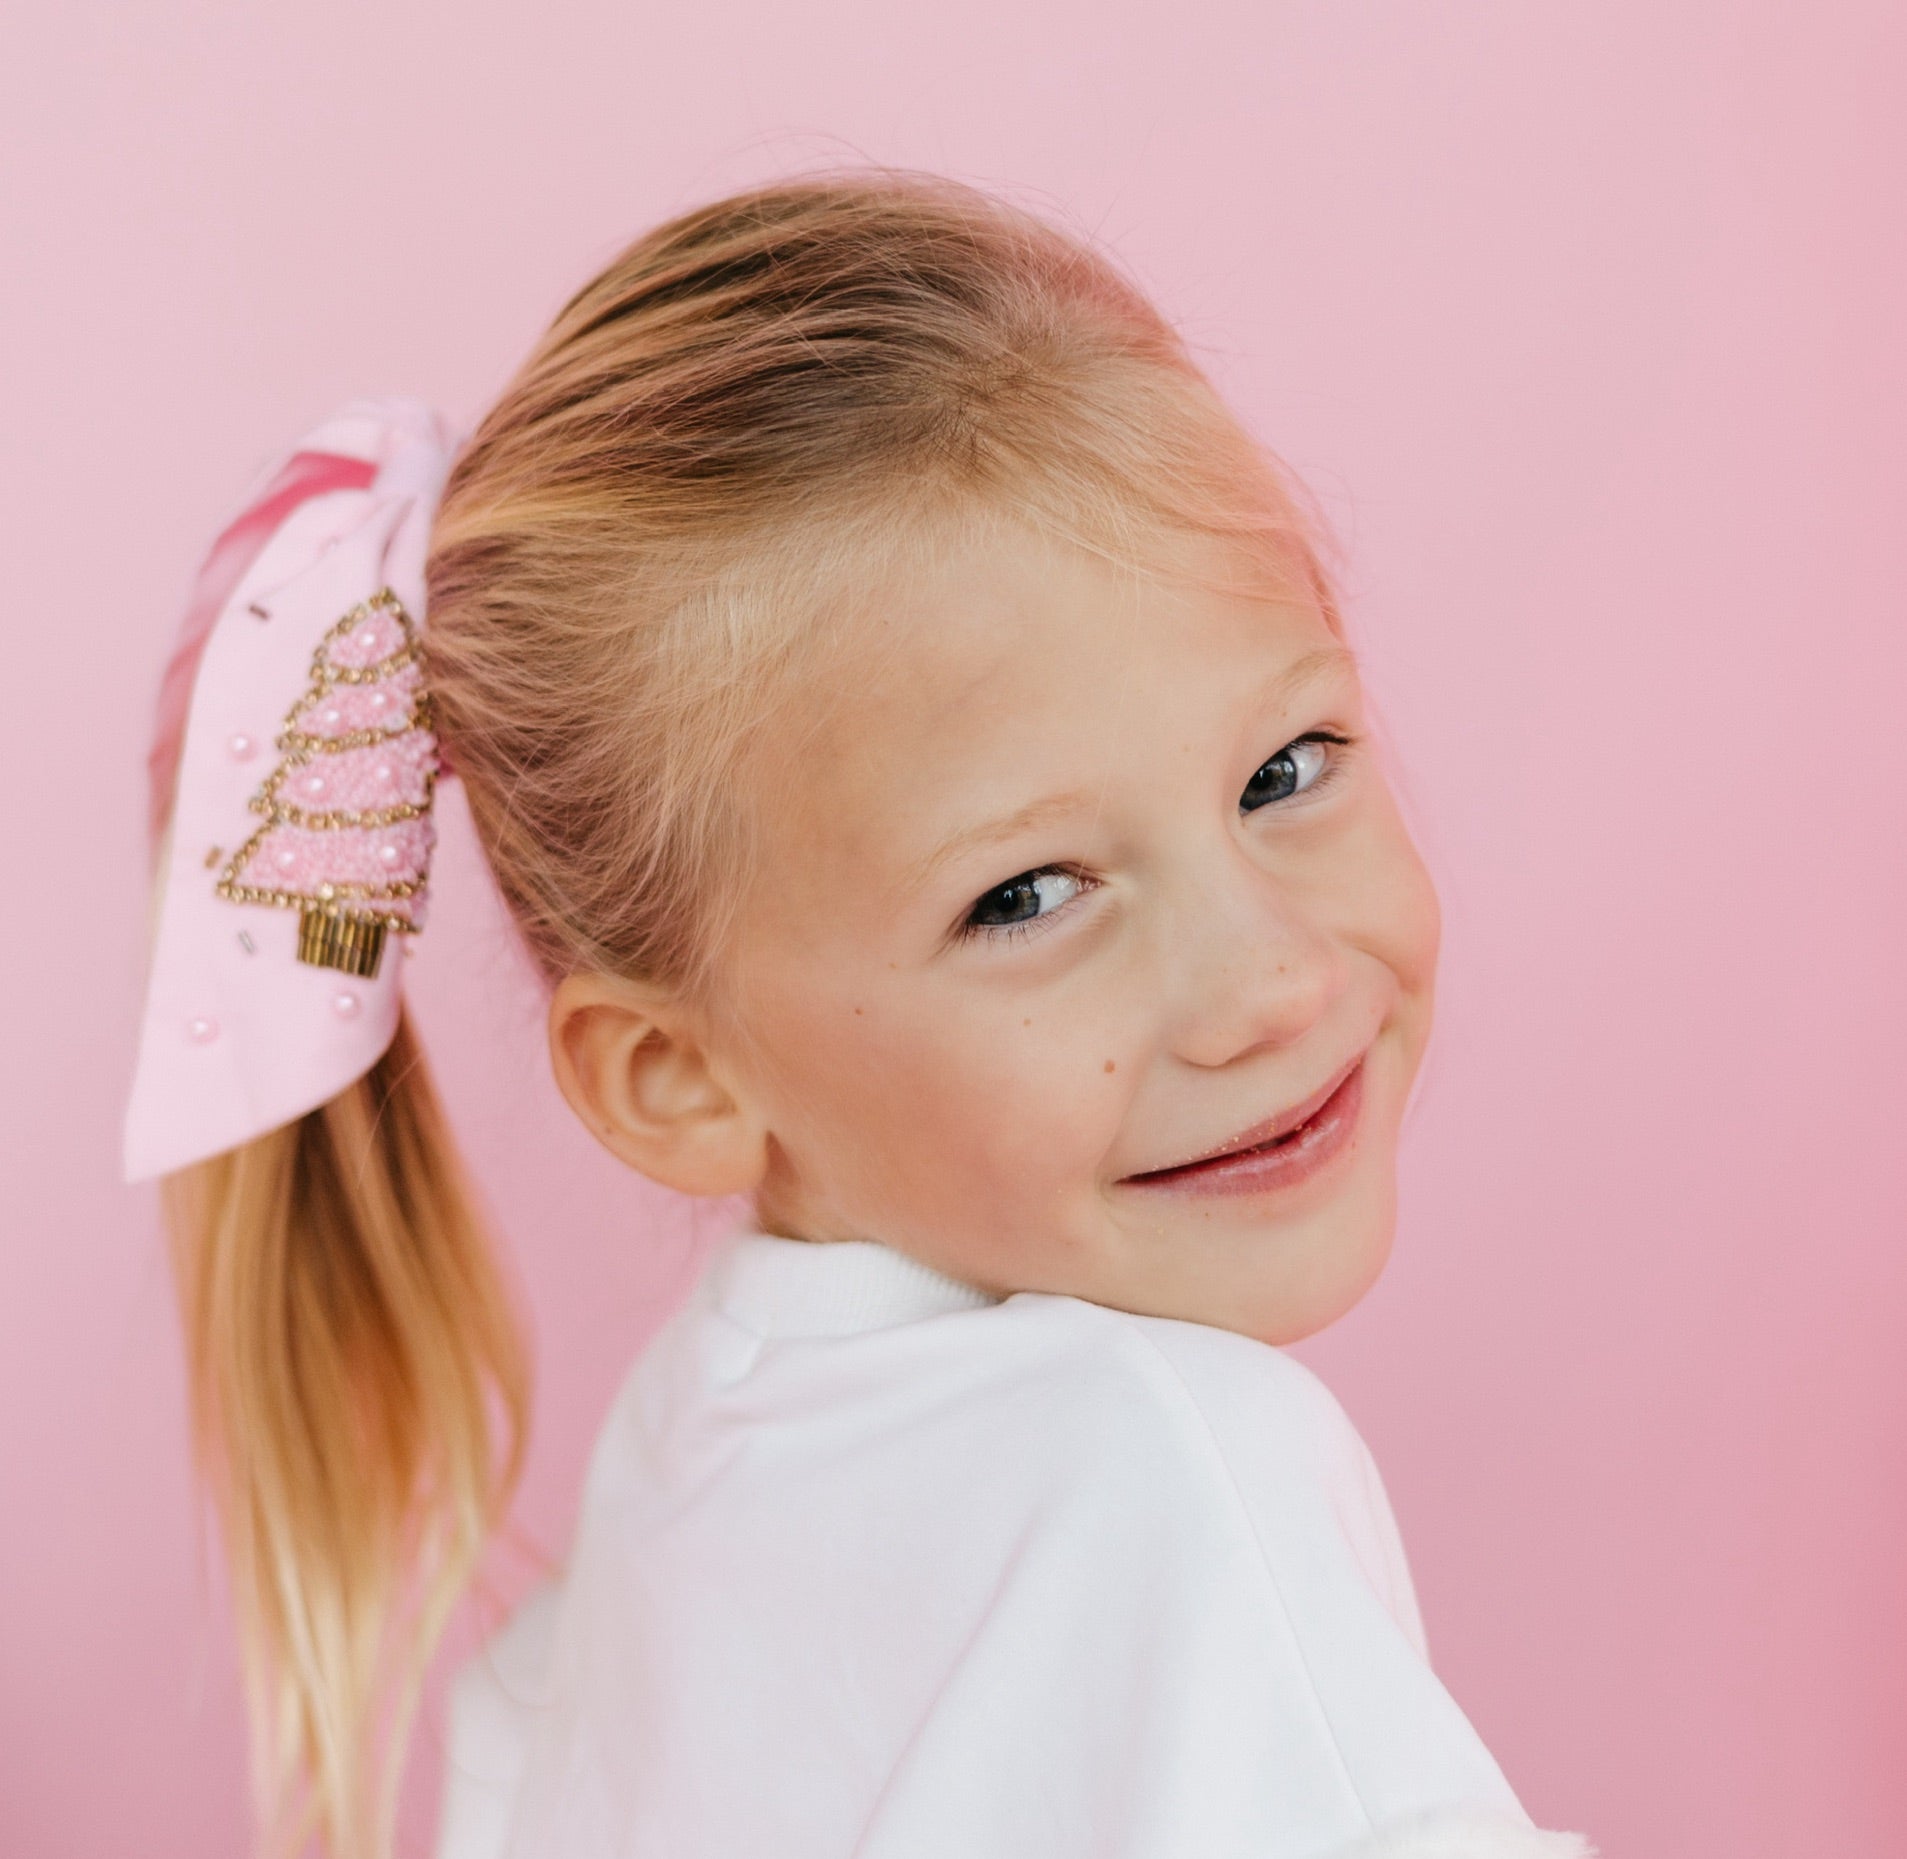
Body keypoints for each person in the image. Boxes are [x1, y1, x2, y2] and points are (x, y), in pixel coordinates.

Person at [125, 170, 1593, 1859]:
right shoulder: (1167, 1480)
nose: (1276, 982)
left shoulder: (693, 1467)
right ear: (676, 1075)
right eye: (1028, 895)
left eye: (1285, 770)